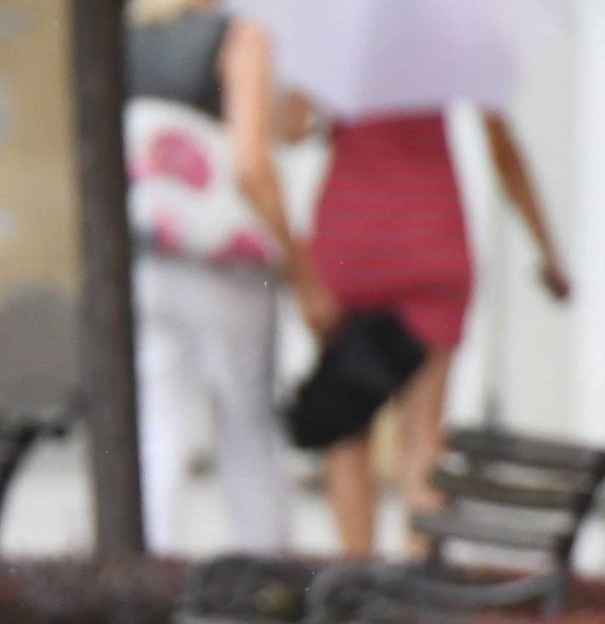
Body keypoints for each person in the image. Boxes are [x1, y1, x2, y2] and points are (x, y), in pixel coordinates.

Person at [306, 102, 570, 556]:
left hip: (352, 244)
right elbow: (505, 153)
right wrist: (548, 252)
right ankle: (414, 588)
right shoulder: (450, 43)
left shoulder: (345, 45)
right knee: (424, 433)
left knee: (347, 423)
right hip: (431, 239)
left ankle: (353, 576)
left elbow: (287, 128)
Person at [125, 0, 303, 552]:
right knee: (245, 423)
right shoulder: (241, 34)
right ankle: (267, 571)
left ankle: (145, 570)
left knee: (159, 425)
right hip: (225, 266)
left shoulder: (137, 38)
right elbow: (251, 162)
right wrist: (299, 260)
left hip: (153, 254)